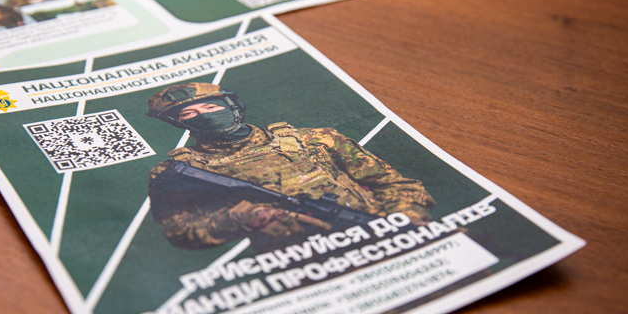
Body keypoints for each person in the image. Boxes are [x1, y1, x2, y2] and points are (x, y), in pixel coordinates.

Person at [146, 82, 435, 250]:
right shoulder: (180, 171)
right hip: (302, 262)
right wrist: (238, 217)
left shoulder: (314, 139)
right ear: (178, 123)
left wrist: (404, 217)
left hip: (379, 234)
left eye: (211, 107)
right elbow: (178, 230)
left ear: (232, 106)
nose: (204, 115)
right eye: (189, 113)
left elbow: (393, 184)